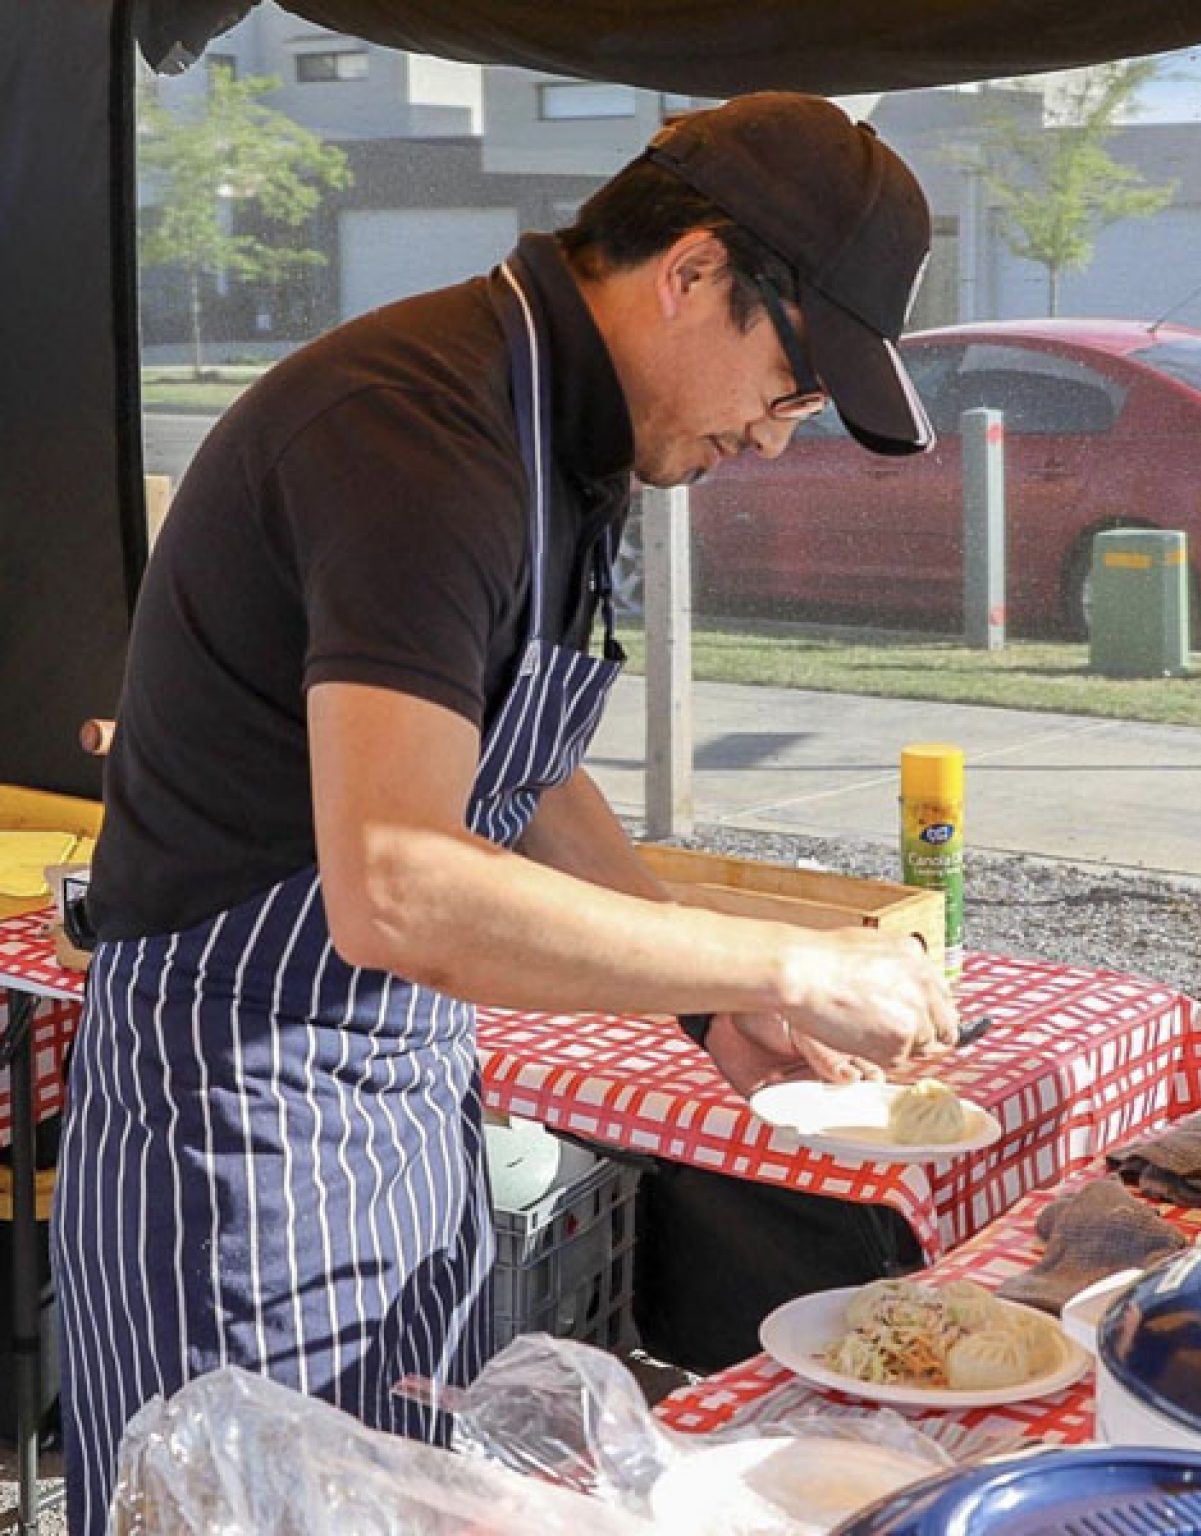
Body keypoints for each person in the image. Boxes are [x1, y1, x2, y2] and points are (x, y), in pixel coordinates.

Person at [53, 91, 957, 1533]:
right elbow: (400, 885)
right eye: (792, 387)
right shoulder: (418, 434)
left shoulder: (565, 434)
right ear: (695, 271)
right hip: (239, 1126)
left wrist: (711, 1004)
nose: (777, 440)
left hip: (403, 1101)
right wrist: (787, 961)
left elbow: (516, 769)